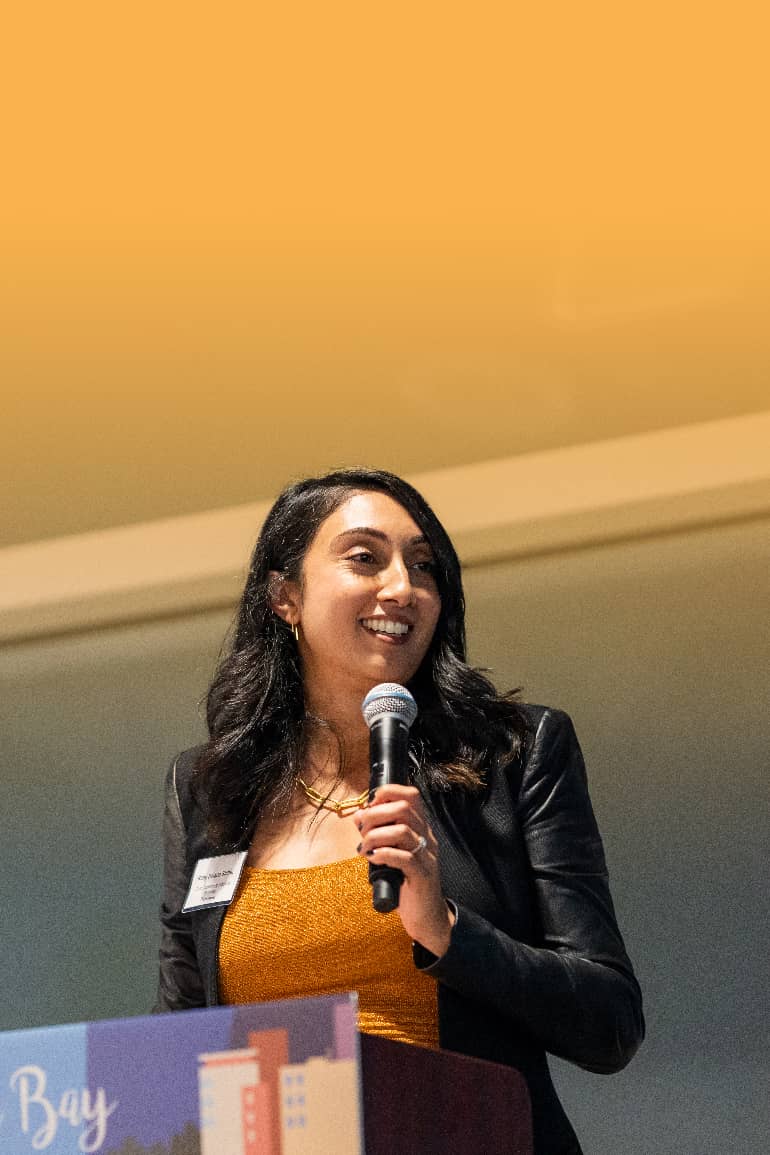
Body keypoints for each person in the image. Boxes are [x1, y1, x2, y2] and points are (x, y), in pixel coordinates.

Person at [155, 467, 644, 1154]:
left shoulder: (515, 753)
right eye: (365, 557)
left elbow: (610, 1020)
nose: (402, 587)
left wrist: (446, 929)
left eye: (423, 567)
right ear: (284, 595)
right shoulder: (210, 786)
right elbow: (178, 1031)